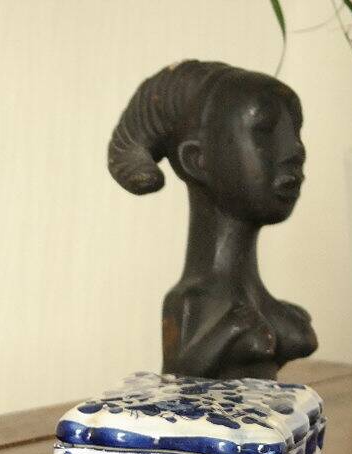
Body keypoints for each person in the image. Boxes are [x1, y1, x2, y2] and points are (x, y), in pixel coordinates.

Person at [109, 60, 318, 381]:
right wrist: (231, 332)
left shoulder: (265, 304)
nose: (296, 151)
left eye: (295, 131)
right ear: (198, 161)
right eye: (265, 132)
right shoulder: (190, 300)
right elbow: (179, 378)